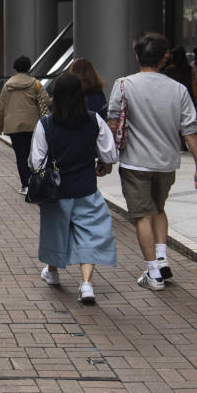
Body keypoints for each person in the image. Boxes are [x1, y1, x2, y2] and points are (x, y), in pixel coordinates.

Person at [108, 33, 197, 291]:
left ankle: (153, 272)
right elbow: (190, 131)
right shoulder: (178, 89)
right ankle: (162, 258)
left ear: (137, 56)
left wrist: (104, 158)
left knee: (142, 215)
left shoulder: (123, 85)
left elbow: (112, 124)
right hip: (166, 162)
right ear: (164, 58)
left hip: (135, 163)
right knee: (159, 208)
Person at [33, 73, 118, 304]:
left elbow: (37, 161)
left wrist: (42, 183)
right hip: (86, 187)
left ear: (56, 96)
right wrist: (102, 164)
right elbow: (110, 153)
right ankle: (87, 284)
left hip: (56, 191)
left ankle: (52, 272)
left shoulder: (46, 124)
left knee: (55, 232)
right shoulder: (94, 120)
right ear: (81, 96)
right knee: (89, 233)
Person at [0, 55, 52, 194]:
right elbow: (46, 102)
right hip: (33, 125)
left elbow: (0, 108)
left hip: (13, 126)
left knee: (20, 155)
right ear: (29, 68)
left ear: (15, 68)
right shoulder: (36, 84)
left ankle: (25, 185)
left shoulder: (7, 85)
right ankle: (35, 181)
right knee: (34, 153)